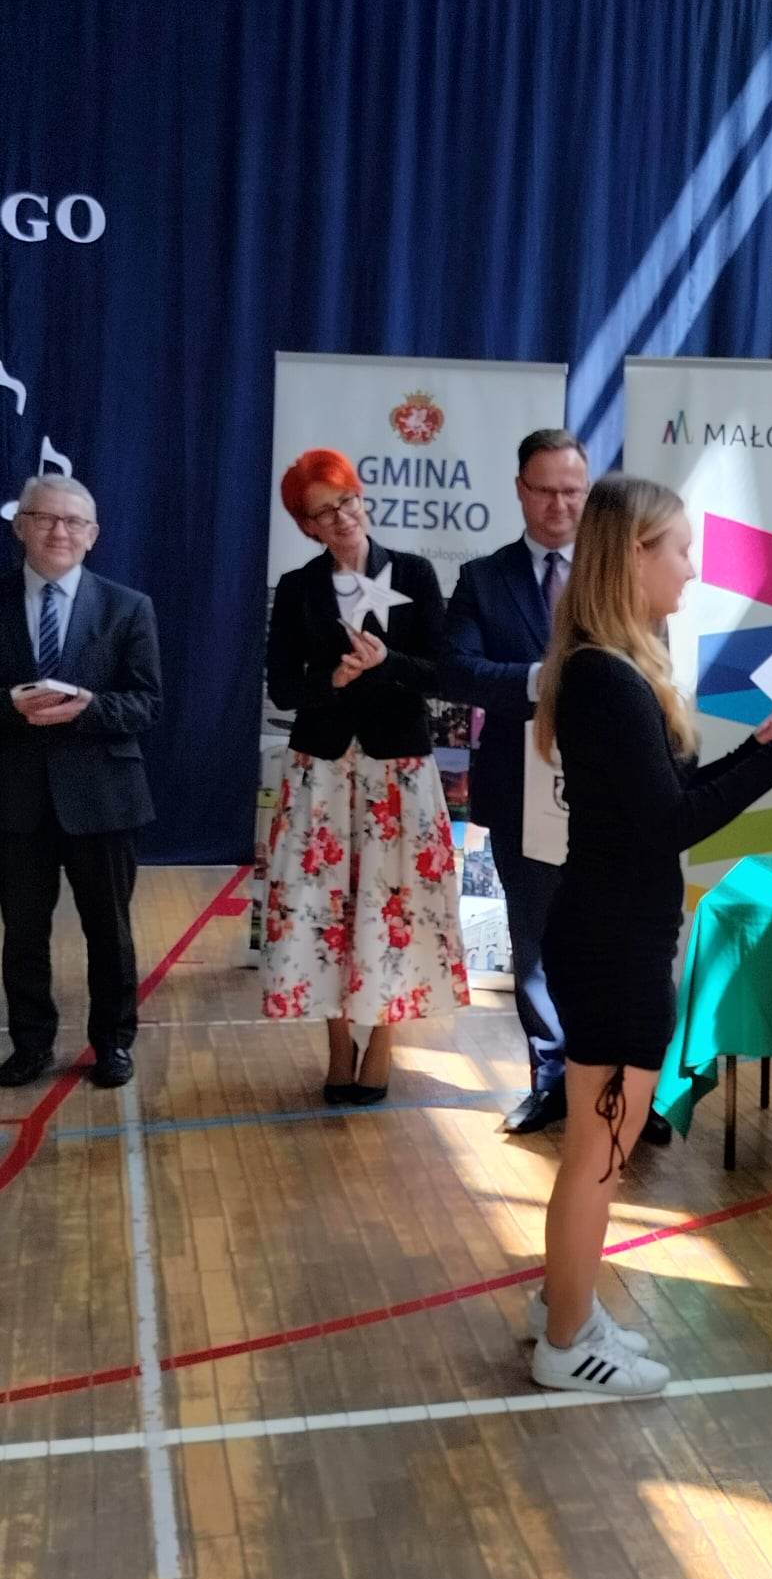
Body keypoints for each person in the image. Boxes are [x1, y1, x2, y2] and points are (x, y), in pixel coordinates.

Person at [527, 474, 772, 1395]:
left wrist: (762, 748)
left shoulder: (610, 671)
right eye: (679, 549)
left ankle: (567, 1307)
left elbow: (662, 801)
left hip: (612, 929)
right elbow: (673, 824)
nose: (692, 569)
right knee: (600, 1154)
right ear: (633, 555)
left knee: (599, 1150)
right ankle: (563, 1344)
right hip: (613, 942)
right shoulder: (606, 678)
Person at [441, 430, 673, 1146]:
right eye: (544, 490)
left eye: (573, 491)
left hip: (616, 800)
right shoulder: (483, 579)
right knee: (537, 942)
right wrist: (544, 682)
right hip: (521, 793)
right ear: (520, 490)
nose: (560, 505)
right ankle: (552, 1079)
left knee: (625, 942)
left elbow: (654, 675)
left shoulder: (627, 574)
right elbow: (458, 671)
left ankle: (632, 1085)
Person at [263, 450, 468, 1101]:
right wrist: (332, 680)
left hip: (397, 772)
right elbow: (281, 689)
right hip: (321, 772)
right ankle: (336, 1044)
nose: (342, 517)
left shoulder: (415, 573)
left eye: (347, 500)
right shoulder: (298, 587)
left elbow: (442, 673)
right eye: (323, 512)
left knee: (395, 904)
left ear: (363, 498)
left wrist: (385, 665)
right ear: (308, 526)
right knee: (321, 907)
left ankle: (381, 1040)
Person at [0, 476, 162, 1090]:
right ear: (20, 525)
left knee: (110, 932)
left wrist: (87, 708)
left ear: (92, 535)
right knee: (23, 933)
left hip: (104, 798)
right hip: (16, 798)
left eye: (73, 522)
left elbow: (146, 704)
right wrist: (10, 706)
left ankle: (113, 1042)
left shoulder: (128, 606)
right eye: (45, 518)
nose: (59, 531)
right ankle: (30, 1045)